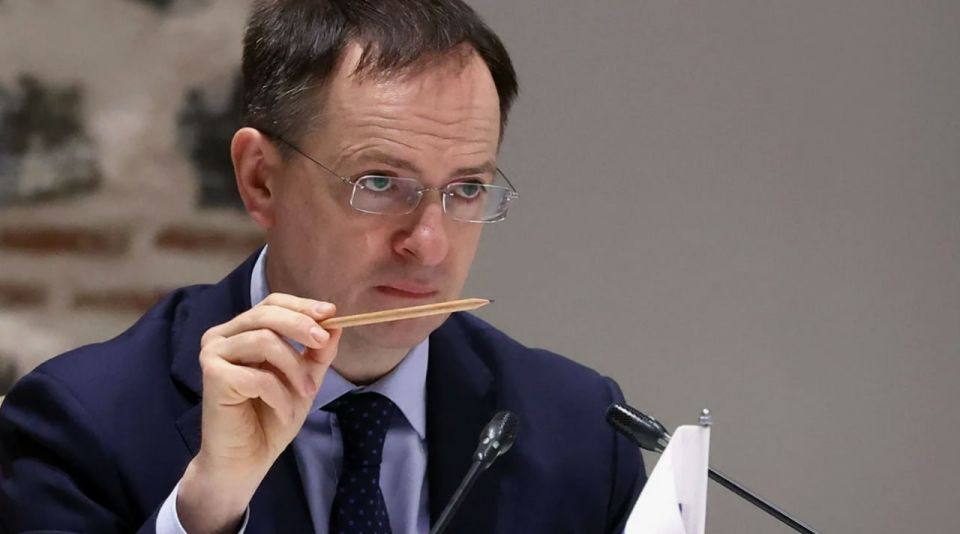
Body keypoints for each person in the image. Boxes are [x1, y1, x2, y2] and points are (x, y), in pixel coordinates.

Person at [0, 1, 645, 532]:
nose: (429, 244)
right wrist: (205, 512)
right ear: (260, 179)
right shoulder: (78, 424)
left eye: (467, 189)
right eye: (380, 182)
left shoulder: (585, 431)